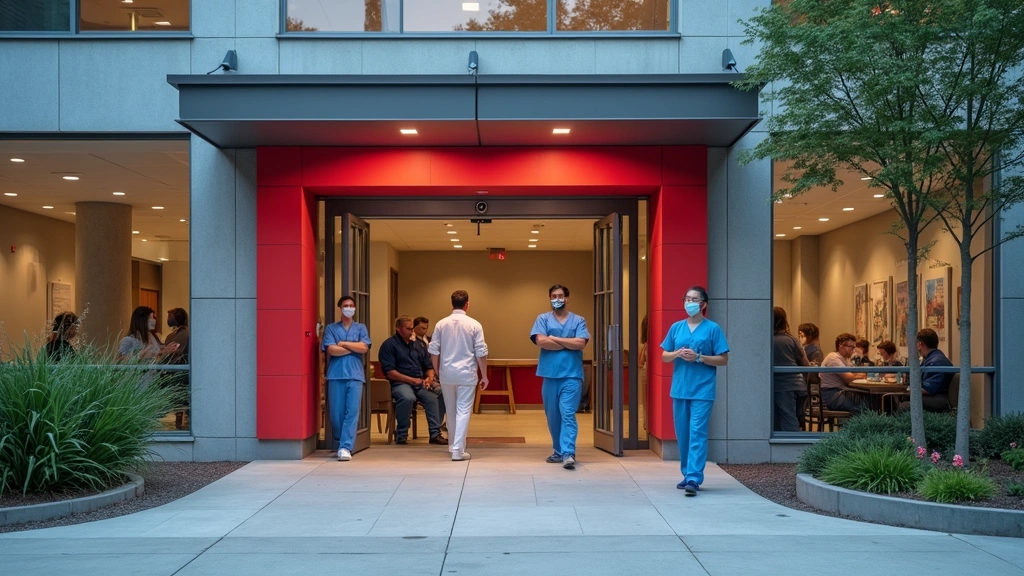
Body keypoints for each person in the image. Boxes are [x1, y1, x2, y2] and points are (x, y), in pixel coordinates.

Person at [660, 286, 729, 496]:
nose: (689, 302)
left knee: (697, 432)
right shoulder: (676, 328)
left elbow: (723, 359)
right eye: (687, 298)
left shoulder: (712, 329)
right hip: (680, 389)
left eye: (694, 299)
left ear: (703, 304)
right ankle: (686, 472)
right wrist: (677, 354)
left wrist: (700, 357)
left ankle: (694, 477)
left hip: (702, 389)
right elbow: (664, 355)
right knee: (683, 434)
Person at [531, 284, 590, 470]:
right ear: (550, 299)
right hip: (549, 375)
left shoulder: (578, 321)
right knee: (553, 416)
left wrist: (554, 338)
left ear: (567, 298)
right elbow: (540, 341)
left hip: (571, 376)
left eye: (560, 296)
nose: (557, 298)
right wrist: (568, 342)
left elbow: (580, 343)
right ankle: (558, 451)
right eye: (554, 296)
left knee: (567, 414)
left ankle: (568, 453)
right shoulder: (542, 319)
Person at [429, 290, 489, 462]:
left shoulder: (441, 324)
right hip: (467, 374)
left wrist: (437, 371)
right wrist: (484, 375)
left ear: (452, 304)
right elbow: (481, 352)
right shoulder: (475, 324)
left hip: (447, 373)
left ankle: (453, 446)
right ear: (467, 304)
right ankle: (458, 449)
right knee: (463, 411)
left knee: (451, 411)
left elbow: (433, 350)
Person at [378, 315, 447, 445]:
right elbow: (390, 372)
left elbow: (428, 365)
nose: (412, 332)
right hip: (400, 383)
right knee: (407, 397)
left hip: (419, 383)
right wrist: (411, 380)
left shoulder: (417, 345)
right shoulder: (389, 345)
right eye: (408, 329)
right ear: (399, 329)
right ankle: (402, 433)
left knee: (435, 396)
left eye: (412, 329)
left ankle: (435, 433)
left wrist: (430, 378)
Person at [322, 296, 371, 461]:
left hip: (355, 375)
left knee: (352, 412)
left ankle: (345, 447)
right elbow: (332, 350)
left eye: (351, 305)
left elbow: (364, 348)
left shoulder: (361, 327)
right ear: (340, 308)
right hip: (336, 375)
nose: (349, 307)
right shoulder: (331, 328)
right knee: (336, 414)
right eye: (345, 305)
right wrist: (354, 347)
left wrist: (343, 343)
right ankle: (340, 440)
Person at [773, 307, 809, 432]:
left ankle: (792, 449)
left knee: (786, 420)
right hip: (799, 386)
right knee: (792, 419)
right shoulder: (792, 339)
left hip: (782, 386)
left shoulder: (768, 340)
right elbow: (805, 364)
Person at [902, 328, 953, 413]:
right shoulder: (933, 358)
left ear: (920, 344)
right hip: (937, 396)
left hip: (938, 398)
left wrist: (908, 390)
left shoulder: (935, 362)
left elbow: (929, 389)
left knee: (904, 406)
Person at [818, 333, 869, 414]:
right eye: (850, 347)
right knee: (866, 404)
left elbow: (855, 372)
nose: (853, 350)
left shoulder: (844, 359)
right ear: (840, 345)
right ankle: (854, 426)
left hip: (840, 392)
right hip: (833, 395)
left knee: (870, 400)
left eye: (854, 347)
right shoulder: (833, 358)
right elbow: (848, 377)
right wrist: (861, 375)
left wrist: (858, 374)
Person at [164, 307, 191, 430]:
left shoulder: (183, 333)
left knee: (180, 400)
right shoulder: (176, 333)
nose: (168, 319)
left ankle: (181, 425)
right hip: (176, 371)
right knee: (179, 400)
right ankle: (180, 424)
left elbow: (172, 352)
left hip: (180, 372)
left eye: (170, 317)